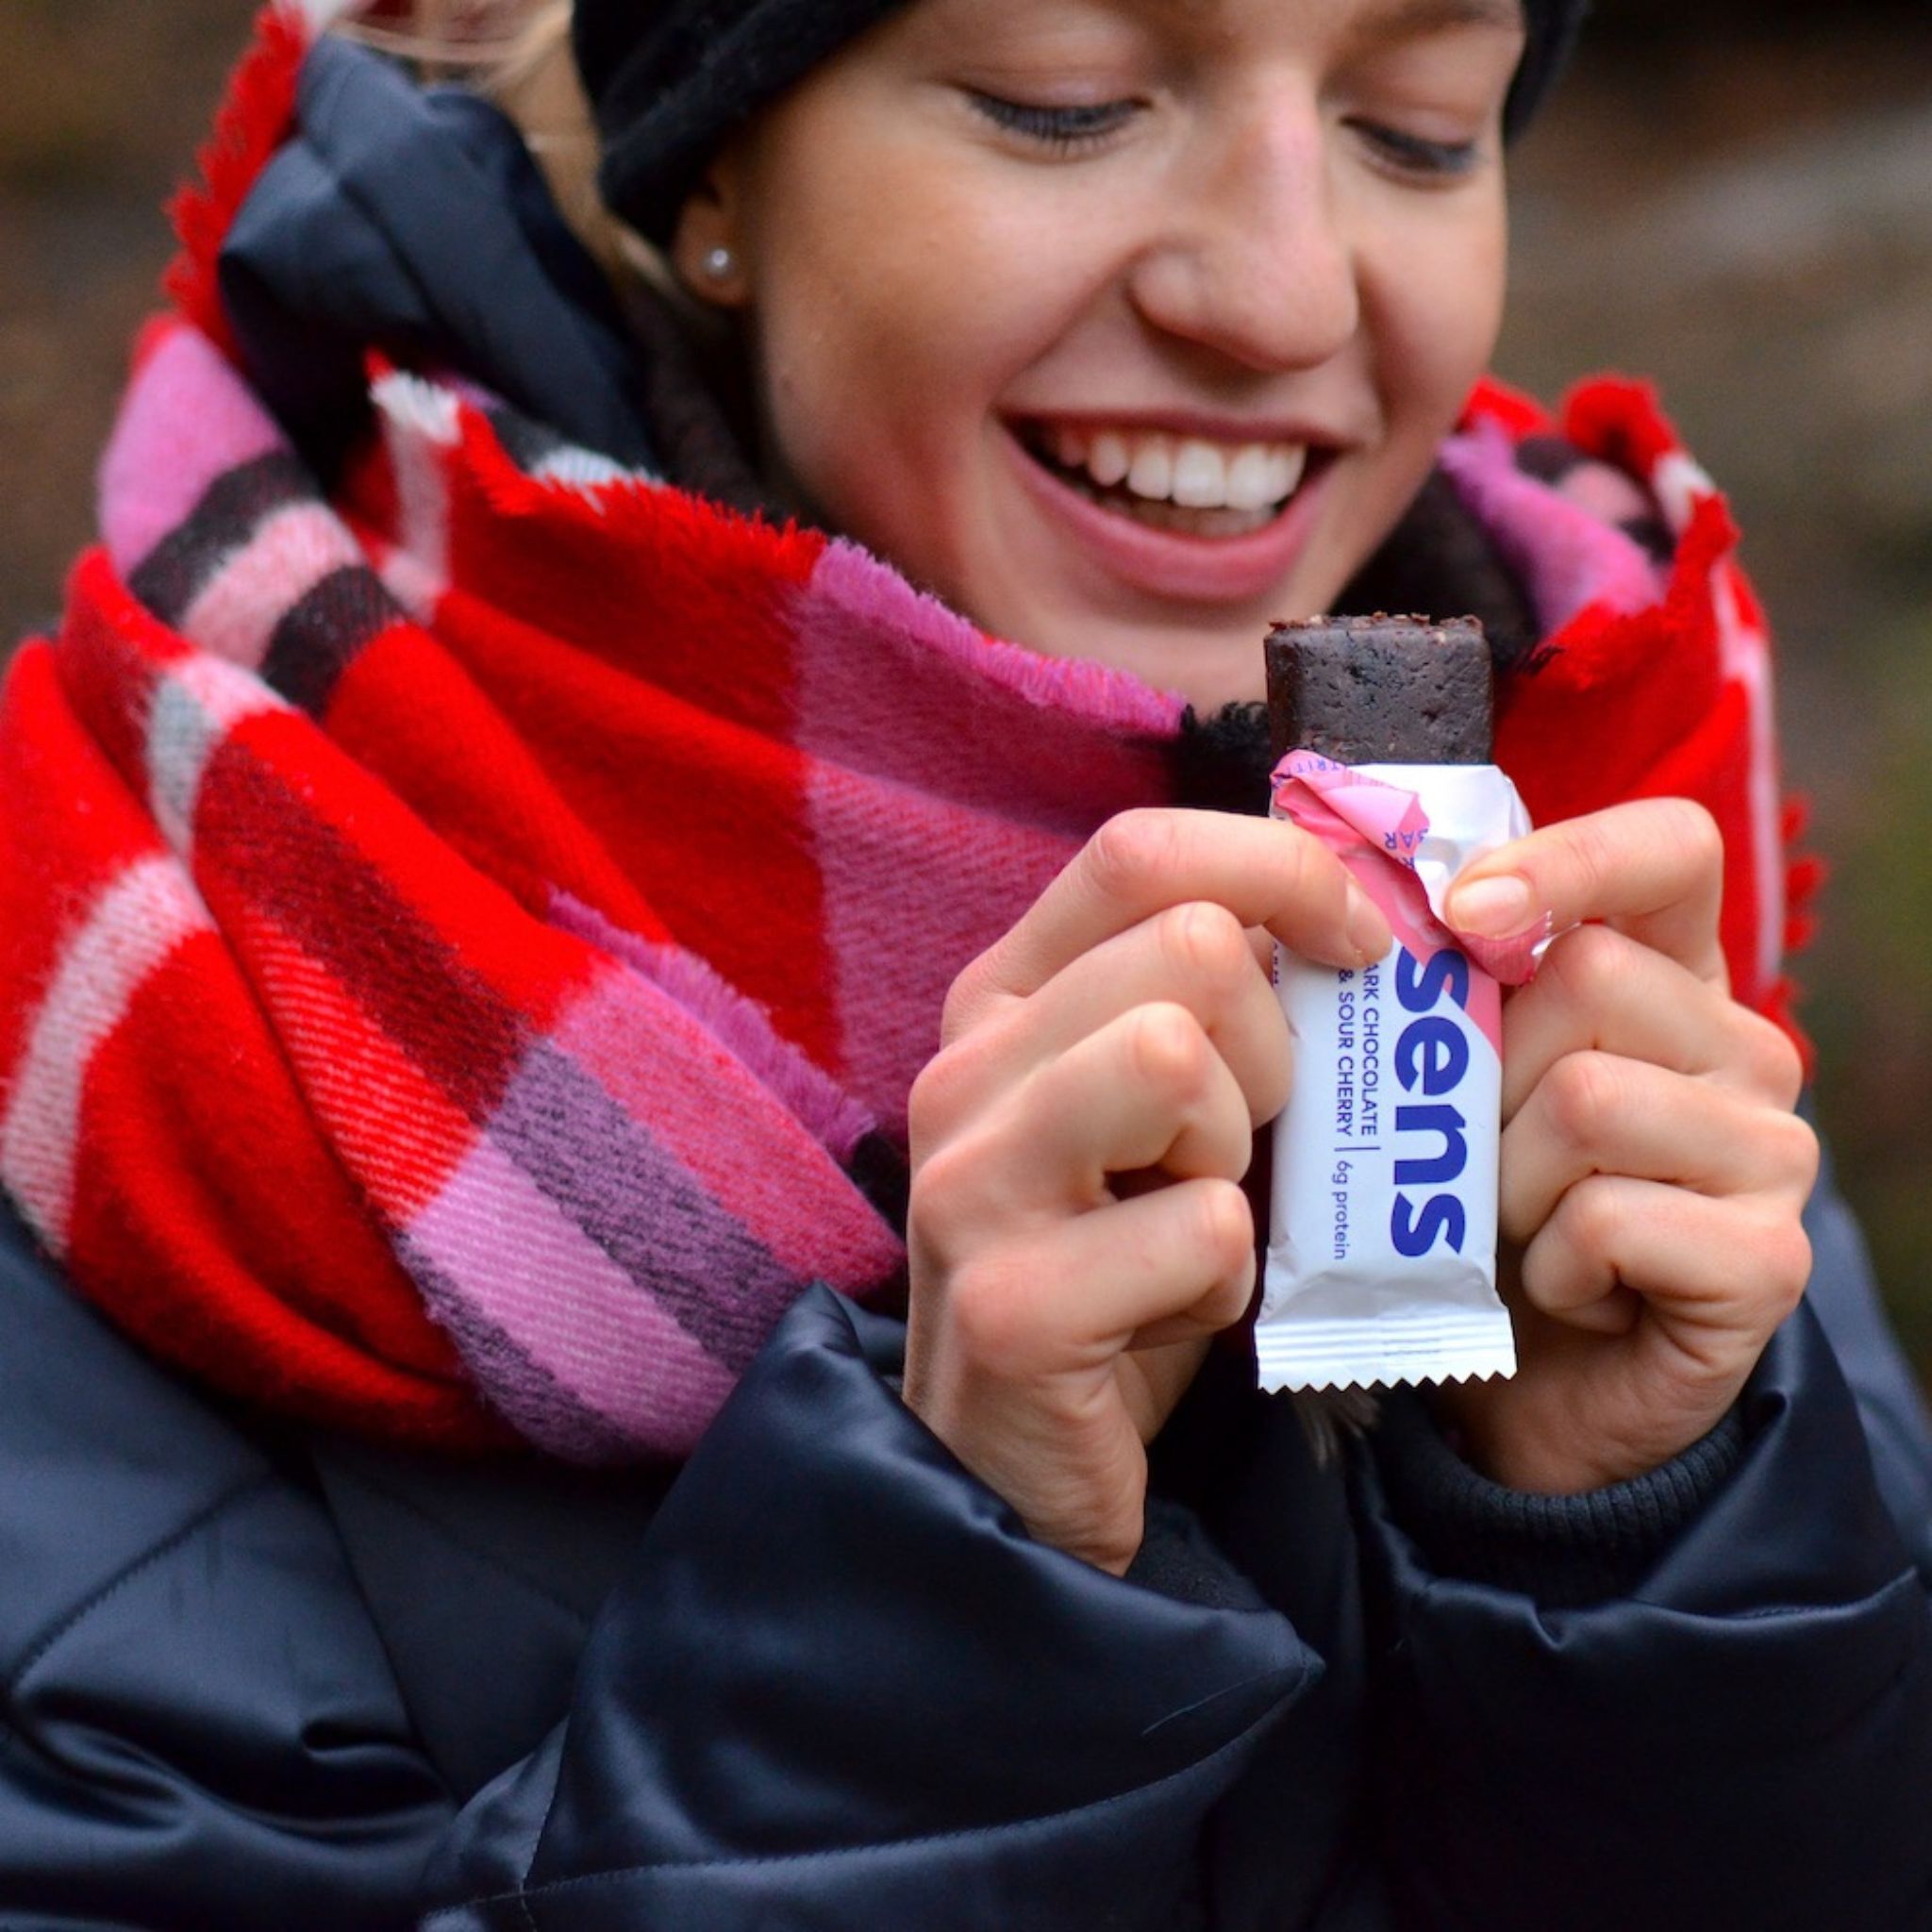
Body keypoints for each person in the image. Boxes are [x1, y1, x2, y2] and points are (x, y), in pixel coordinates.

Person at [1, 0, 1928, 1924]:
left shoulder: (1596, 886)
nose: (1277, 295)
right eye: (1062, 102)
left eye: (1418, 129)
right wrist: (933, 1611)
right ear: (718, 169)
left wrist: (1655, 1552)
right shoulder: (150, 1014)